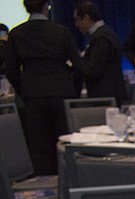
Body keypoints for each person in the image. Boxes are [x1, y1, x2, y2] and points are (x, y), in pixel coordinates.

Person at [5, 0, 83, 175]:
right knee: (64, 145)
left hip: (33, 96)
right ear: (46, 6)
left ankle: (44, 189)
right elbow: (79, 68)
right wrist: (74, 92)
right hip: (61, 92)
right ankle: (68, 186)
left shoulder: (16, 34)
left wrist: (23, 88)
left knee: (39, 149)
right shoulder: (61, 31)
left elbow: (10, 70)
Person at [73, 1, 127, 105]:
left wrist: (76, 65)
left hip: (106, 100)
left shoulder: (101, 38)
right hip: (110, 97)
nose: (76, 24)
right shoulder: (106, 34)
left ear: (86, 18)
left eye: (77, 20)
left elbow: (93, 71)